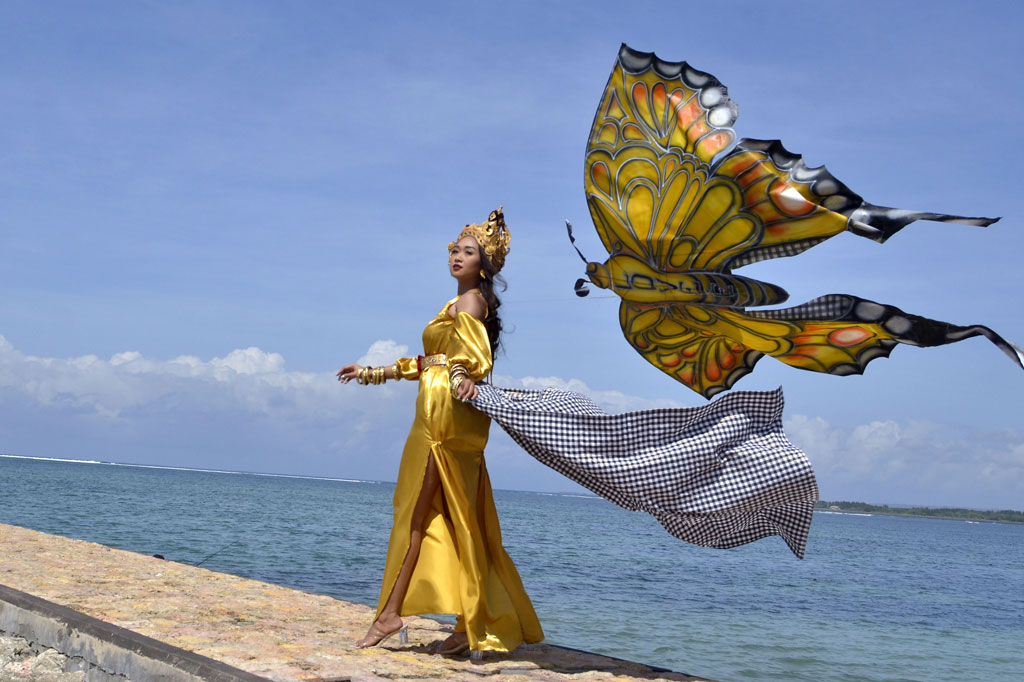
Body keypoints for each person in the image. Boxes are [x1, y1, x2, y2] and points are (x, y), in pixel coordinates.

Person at [337, 207, 543, 657]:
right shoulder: (454, 304)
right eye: (455, 249)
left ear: (483, 266)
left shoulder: (470, 303)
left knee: (416, 515)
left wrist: (465, 375)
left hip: (445, 419)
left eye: (468, 252)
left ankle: (392, 614)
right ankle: (468, 623)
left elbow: (472, 357)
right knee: (450, 516)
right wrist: (373, 372)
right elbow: (429, 361)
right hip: (439, 412)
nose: (457, 256)